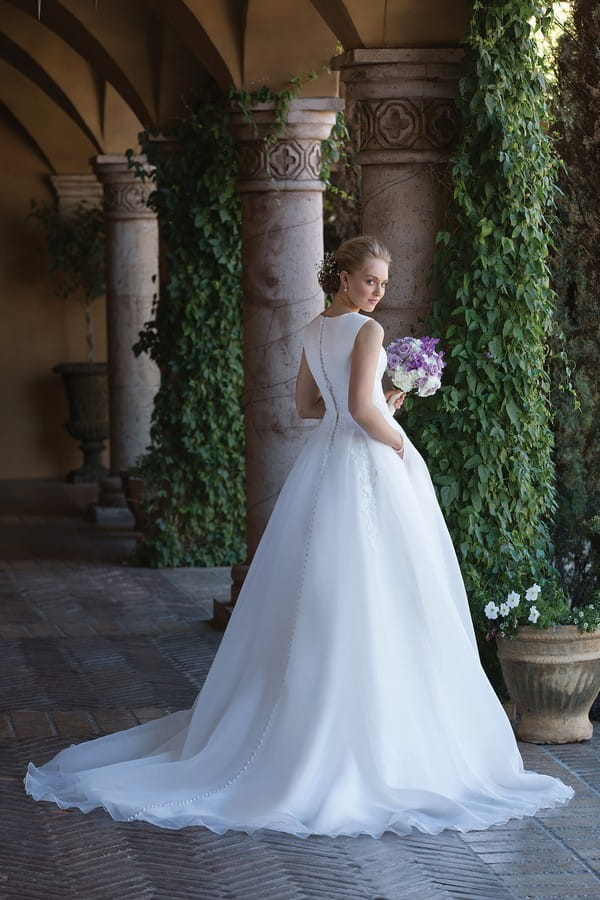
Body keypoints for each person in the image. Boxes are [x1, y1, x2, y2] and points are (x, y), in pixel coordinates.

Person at [25, 236, 573, 837]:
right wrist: (396, 436)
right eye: (370, 280)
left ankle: (298, 715)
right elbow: (362, 414)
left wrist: (373, 402)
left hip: (323, 466)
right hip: (365, 462)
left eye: (384, 283)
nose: (378, 292)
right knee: (382, 587)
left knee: (327, 585)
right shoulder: (366, 334)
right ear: (341, 277)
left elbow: (309, 405)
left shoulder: (315, 329)